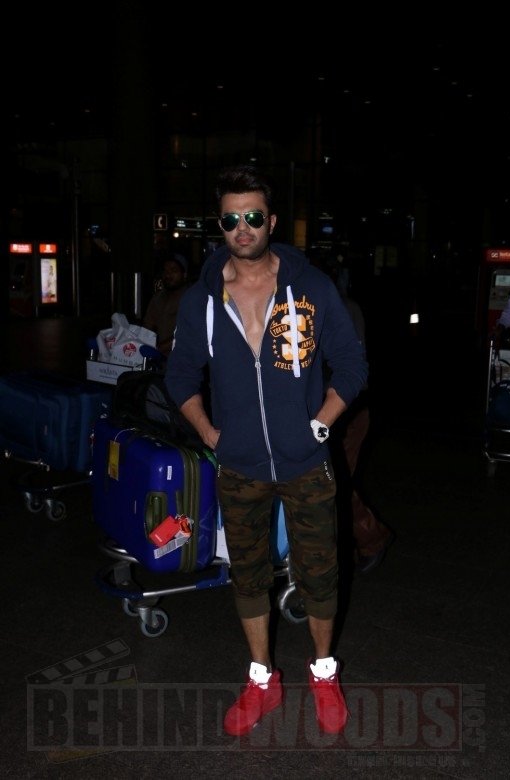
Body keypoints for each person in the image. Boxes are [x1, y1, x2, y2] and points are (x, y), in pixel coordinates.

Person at [165, 164, 368, 737]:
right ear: (220, 225)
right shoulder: (203, 301)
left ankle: (323, 672)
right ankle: (262, 679)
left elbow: (352, 365)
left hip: (306, 463)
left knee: (320, 573)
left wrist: (320, 425)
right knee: (248, 576)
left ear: (271, 221)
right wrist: (210, 434)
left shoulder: (311, 288)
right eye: (231, 219)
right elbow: (180, 375)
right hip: (240, 467)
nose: (243, 228)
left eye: (253, 216)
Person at [340, 295, 395, 574]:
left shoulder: (341, 306)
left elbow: (354, 369)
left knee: (333, 482)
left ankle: (371, 539)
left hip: (345, 410)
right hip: (309, 410)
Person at [142, 252, 189, 357]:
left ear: (184, 274)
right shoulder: (158, 298)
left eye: (174, 271)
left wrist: (157, 349)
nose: (168, 275)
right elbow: (147, 327)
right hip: (159, 359)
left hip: (183, 360)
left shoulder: (192, 299)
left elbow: (187, 334)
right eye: (165, 271)